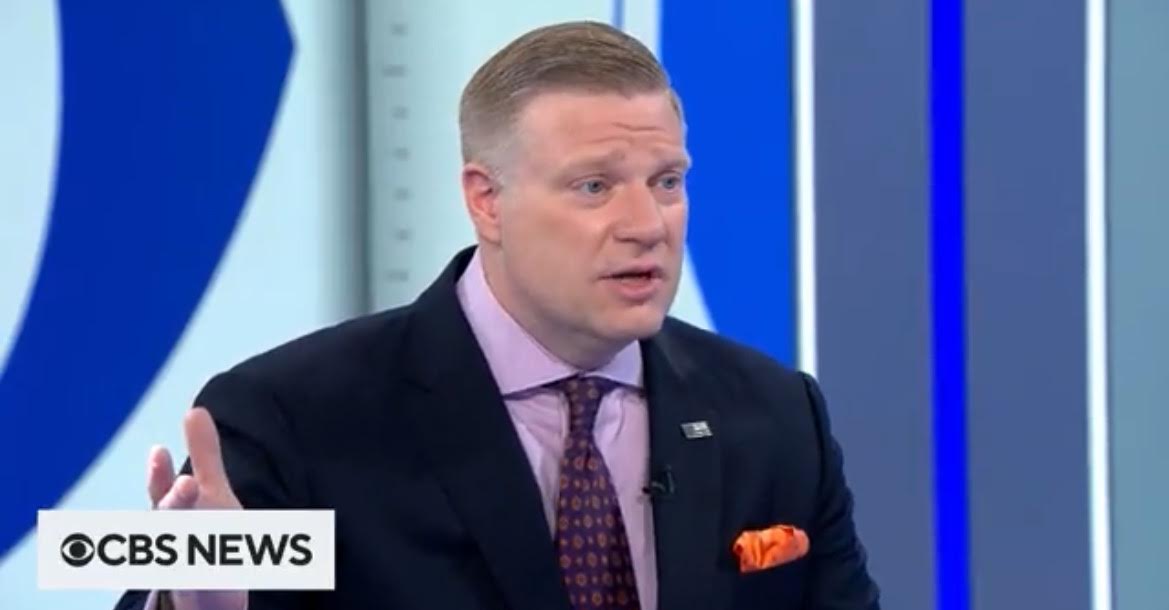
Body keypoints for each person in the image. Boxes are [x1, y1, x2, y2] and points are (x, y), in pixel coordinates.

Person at [115, 20, 879, 610]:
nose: (646, 223)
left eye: (667, 181)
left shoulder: (774, 416)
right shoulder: (292, 419)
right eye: (593, 186)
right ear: (486, 200)